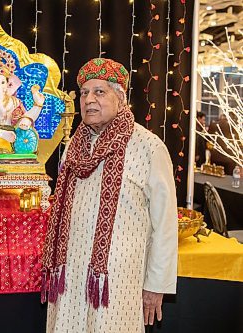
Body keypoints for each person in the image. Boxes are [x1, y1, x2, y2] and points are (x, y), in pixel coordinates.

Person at [42, 58, 178, 332]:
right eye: (84, 93)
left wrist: (155, 285)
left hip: (118, 282)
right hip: (69, 277)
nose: (89, 100)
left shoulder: (148, 147)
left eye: (99, 92)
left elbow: (165, 224)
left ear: (120, 97)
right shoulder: (73, 148)